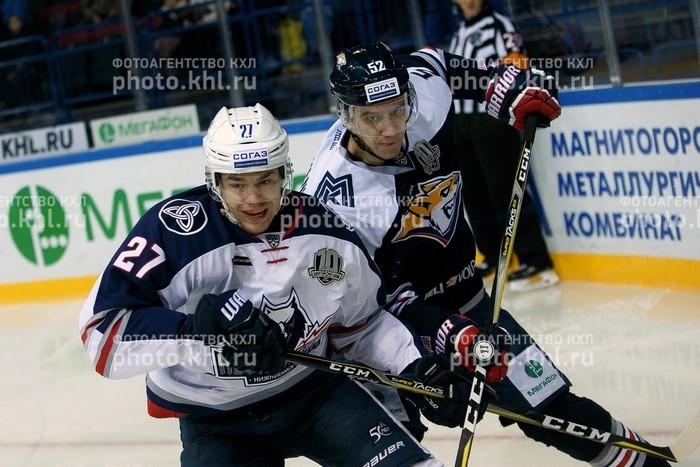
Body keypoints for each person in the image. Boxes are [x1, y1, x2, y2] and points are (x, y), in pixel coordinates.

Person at [301, 41, 670, 466]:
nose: (389, 128)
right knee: (394, 445)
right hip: (395, 334)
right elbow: (366, 307)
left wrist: (507, 87)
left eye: (398, 109)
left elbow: (442, 62)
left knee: (553, 409)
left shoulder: (426, 92)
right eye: (371, 118)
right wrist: (445, 333)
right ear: (345, 115)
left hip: (470, 301)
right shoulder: (336, 201)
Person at [79, 103, 476, 467]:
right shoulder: (174, 231)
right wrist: (193, 332)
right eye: (237, 184)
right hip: (217, 421)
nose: (253, 199)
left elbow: (363, 325)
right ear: (214, 180)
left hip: (316, 395)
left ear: (285, 174)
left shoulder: (325, 230)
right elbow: (102, 337)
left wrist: (415, 369)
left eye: (266, 181)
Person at [449, 0, 560, 292]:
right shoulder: (460, 31)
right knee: (475, 195)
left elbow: (519, 68)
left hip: (493, 121)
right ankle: (494, 256)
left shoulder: (500, 26)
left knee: (508, 191)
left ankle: (537, 261)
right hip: (463, 124)